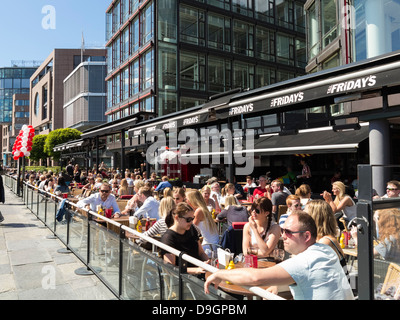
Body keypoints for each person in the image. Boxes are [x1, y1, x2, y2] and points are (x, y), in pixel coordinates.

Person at [205, 211, 354, 300]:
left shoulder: (305, 260)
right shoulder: (324, 249)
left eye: (288, 232)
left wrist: (220, 273)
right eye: (282, 231)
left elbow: (255, 278)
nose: (283, 236)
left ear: (307, 236)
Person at [160, 202, 210, 275]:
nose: (191, 222)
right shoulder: (168, 238)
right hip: (183, 279)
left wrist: (209, 262)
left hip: (200, 273)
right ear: (177, 218)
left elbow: (201, 253)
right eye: (188, 219)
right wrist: (196, 270)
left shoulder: (191, 229)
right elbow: (170, 268)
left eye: (193, 219)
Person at [304, 200, 348, 276]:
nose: (302, 217)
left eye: (305, 214)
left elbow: (310, 267)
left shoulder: (325, 242)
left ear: (315, 217)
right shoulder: (322, 239)